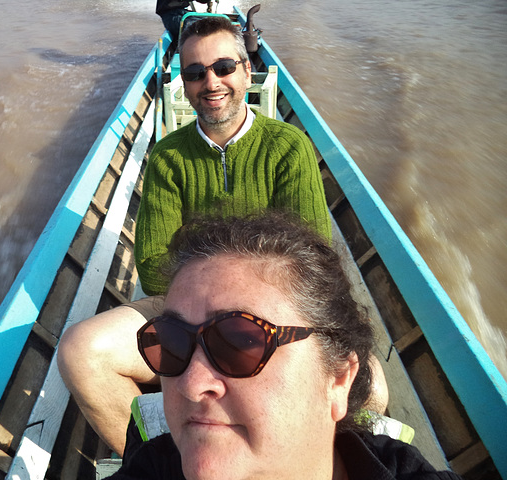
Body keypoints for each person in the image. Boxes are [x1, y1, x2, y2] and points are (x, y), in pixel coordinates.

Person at [58, 15, 341, 457]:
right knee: (81, 352)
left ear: (248, 71)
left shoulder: (288, 148)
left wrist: (237, 315)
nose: (211, 82)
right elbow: (152, 266)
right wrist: (212, 311)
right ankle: (168, 461)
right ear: (183, 85)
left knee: (369, 389)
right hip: (185, 313)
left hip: (268, 315)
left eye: (224, 67)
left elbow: (312, 262)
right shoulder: (169, 157)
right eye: (194, 73)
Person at [107, 212, 463, 480]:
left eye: (242, 341)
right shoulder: (152, 466)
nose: (190, 383)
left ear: (338, 378)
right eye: (172, 340)